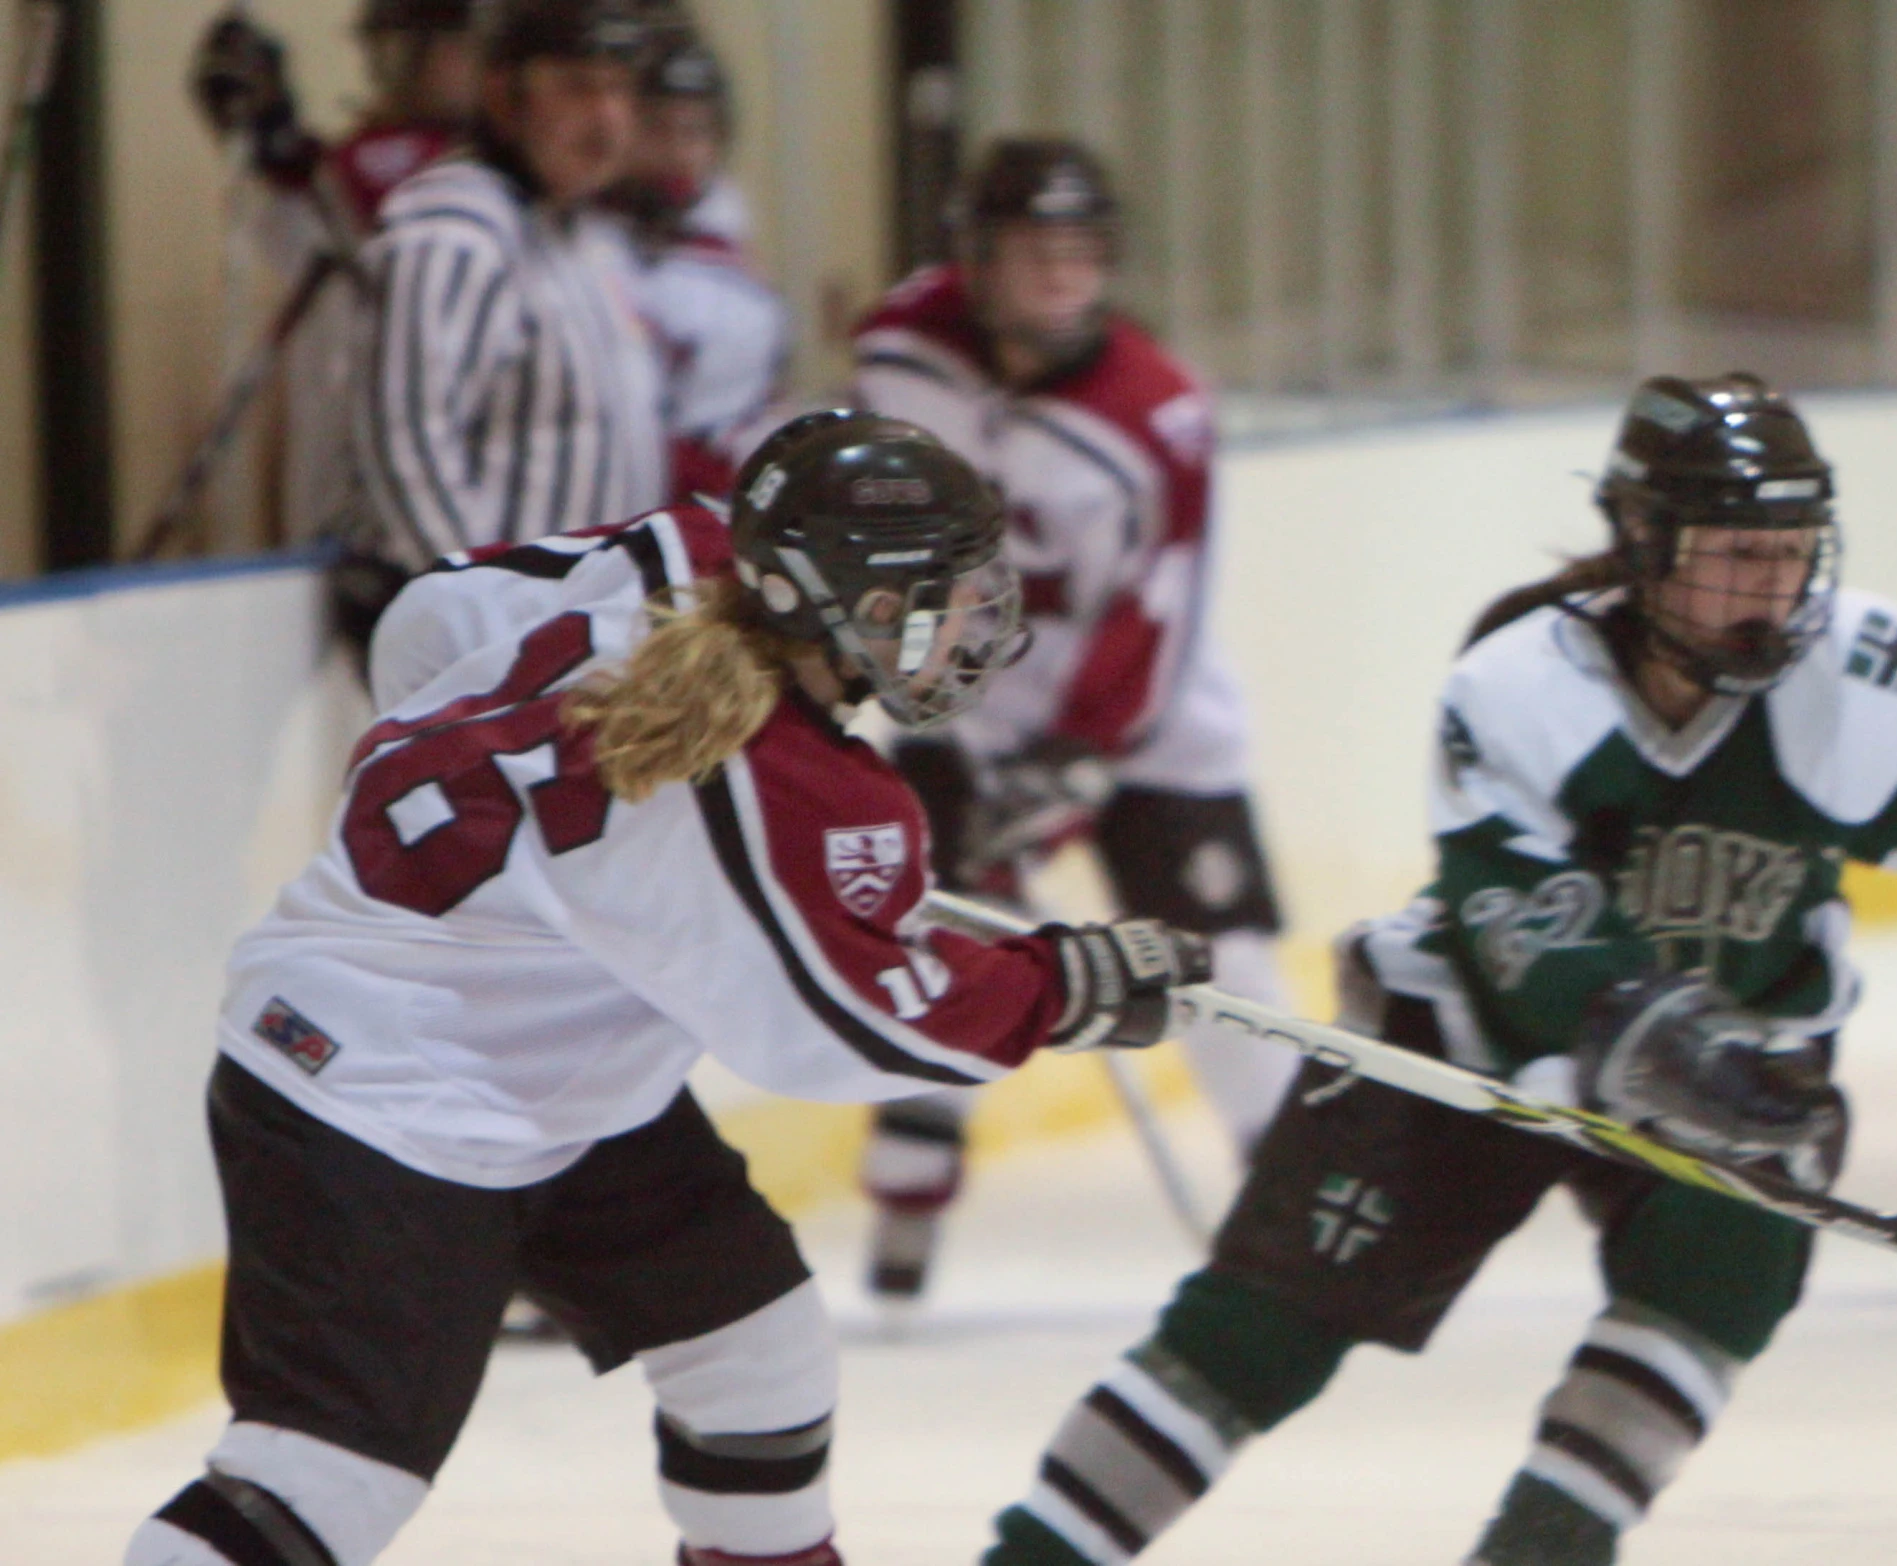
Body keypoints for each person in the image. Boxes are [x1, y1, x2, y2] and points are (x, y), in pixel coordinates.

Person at [977, 373, 1897, 1566]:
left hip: (1746, 1056)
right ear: (1641, 547)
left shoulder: (1874, 676)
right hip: (1475, 1048)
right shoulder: (1515, 679)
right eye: (1730, 557)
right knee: (1252, 1333)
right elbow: (1512, 913)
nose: (1766, 594)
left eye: (1786, 557)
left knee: (1714, 1285)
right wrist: (1649, 1037)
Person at [122, 411, 1213, 1566]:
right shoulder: (787, 789)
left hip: (532, 1080)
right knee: (327, 1473)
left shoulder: (675, 557)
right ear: (851, 606)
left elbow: (431, 615)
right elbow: (845, 1029)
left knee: (756, 1350)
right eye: (940, 598)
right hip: (383, 1099)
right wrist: (1068, 987)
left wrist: (531, 855)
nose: (974, 627)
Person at [844, 138, 1297, 1303]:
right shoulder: (901, 348)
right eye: (1031, 252)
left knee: (1222, 960)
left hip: (1149, 733)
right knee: (930, 941)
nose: (1058, 279)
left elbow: (1160, 610)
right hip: (967, 721)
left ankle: (1293, 1221)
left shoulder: (1158, 414)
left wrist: (1079, 758)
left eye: (1079, 253)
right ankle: (904, 1218)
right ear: (973, 258)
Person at [352, 0, 665, 580]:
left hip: (571, 623)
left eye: (621, 90)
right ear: (503, 97)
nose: (607, 119)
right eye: (578, 89)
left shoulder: (589, 237)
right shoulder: (453, 228)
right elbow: (407, 441)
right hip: (488, 635)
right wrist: (477, 597)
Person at [189, 1, 482, 616]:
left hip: (470, 509)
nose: (399, 66)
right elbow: (317, 255)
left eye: (429, 44)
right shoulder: (373, 158)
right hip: (358, 506)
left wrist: (294, 164)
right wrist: (273, 148)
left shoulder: (478, 171)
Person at [607, 22, 795, 506]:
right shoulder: (581, 237)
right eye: (657, 129)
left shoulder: (731, 255)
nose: (676, 153)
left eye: (693, 132)